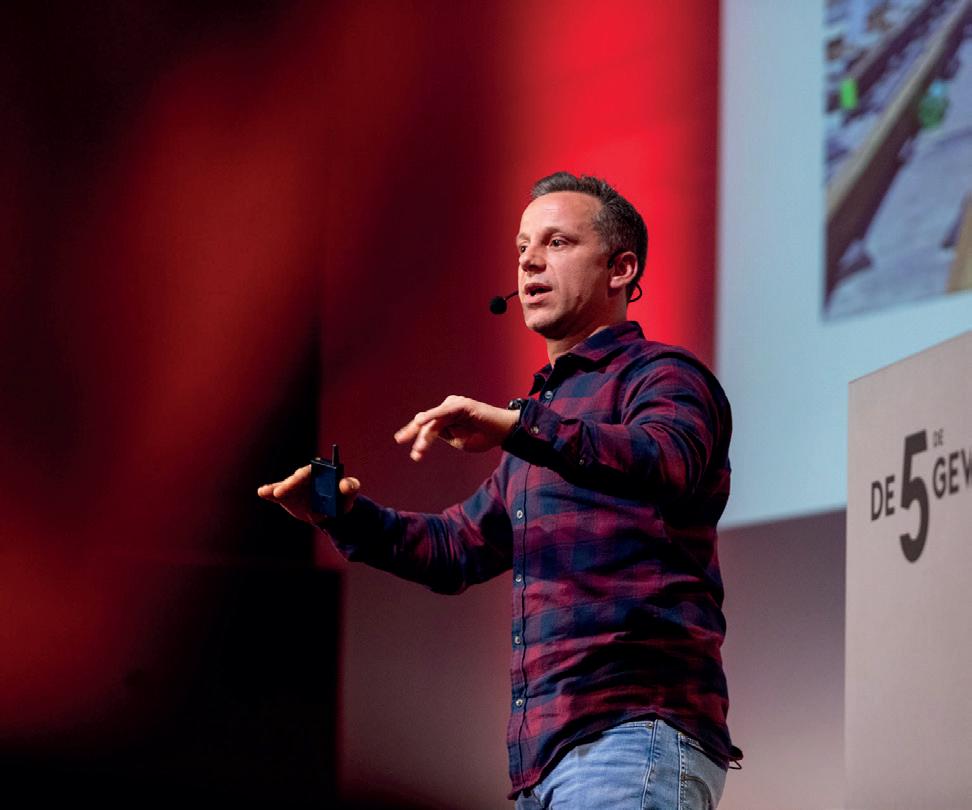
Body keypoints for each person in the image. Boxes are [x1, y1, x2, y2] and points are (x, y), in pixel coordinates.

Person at [258, 172, 736, 809]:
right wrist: (340, 514)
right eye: (522, 247)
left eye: (557, 243)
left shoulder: (663, 377)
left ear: (621, 270)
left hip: (632, 731)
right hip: (546, 759)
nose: (530, 261)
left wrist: (520, 426)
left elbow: (665, 460)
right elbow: (455, 548)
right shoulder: (543, 422)